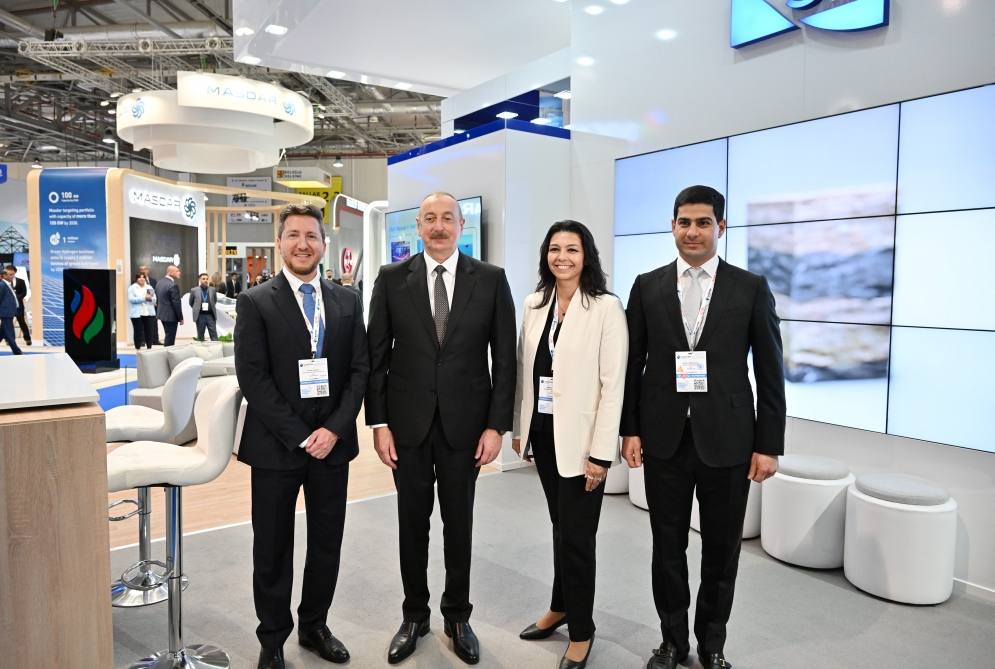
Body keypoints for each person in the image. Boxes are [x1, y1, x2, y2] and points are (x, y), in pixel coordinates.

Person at [620, 186, 786, 669]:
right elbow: (632, 365)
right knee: (666, 548)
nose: (692, 231)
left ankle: (712, 644)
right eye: (684, 222)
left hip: (730, 441)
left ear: (721, 227)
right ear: (672, 226)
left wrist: (769, 444)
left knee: (722, 551)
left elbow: (770, 371)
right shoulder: (647, 286)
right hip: (664, 439)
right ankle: (672, 642)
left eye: (703, 222)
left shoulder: (750, 287)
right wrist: (630, 429)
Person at [366, 191, 516, 665]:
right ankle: (414, 616)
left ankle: (457, 616)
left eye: (447, 218)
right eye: (429, 218)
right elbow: (376, 357)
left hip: (466, 428)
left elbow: (505, 360)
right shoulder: (392, 278)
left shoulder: (490, 279)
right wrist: (379, 422)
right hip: (406, 426)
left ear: (460, 225)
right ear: (418, 226)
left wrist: (496, 427)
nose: (438, 226)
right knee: (412, 525)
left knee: (459, 524)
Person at [235, 203, 369, 669]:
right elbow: (253, 378)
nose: (302, 244)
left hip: (332, 446)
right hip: (276, 447)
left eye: (311, 236)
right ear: (279, 243)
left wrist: (333, 430)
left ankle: (315, 625)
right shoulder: (256, 301)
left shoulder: (347, 301)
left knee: (327, 542)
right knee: (272, 548)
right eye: (293, 235)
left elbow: (360, 370)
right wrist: (301, 435)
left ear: (323, 245)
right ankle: (272, 638)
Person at [511, 221, 628, 669]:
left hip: (583, 443)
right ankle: (560, 607)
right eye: (555, 249)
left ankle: (582, 629)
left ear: (586, 256)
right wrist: (521, 427)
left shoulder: (605, 307)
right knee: (560, 528)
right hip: (544, 433)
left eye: (572, 249)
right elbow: (525, 370)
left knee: (577, 537)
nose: (562, 257)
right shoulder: (535, 303)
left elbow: (612, 385)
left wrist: (601, 453)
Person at [155, 264, 184, 346]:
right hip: (171, 316)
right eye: (177, 271)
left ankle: (167, 351)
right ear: (171, 273)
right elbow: (176, 302)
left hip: (162, 314)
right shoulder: (173, 285)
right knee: (170, 338)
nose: (179, 273)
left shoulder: (159, 283)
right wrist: (180, 317)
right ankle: (168, 353)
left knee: (168, 335)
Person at [128, 272, 157, 350]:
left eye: (143, 277)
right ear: (136, 279)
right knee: (138, 331)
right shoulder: (132, 288)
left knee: (149, 331)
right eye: (139, 277)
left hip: (149, 313)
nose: (141, 279)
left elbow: (154, 299)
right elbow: (131, 299)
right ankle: (138, 348)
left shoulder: (149, 287)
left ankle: (149, 348)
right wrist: (144, 298)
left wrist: (150, 298)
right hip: (137, 313)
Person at [5, 265, 31, 346]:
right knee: (7, 323)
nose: (10, 275)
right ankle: (8, 339)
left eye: (11, 273)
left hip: (18, 306)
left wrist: (17, 298)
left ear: (15, 272)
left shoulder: (21, 281)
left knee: (22, 322)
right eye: (8, 273)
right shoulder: (3, 282)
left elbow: (24, 292)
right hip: (8, 306)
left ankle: (27, 339)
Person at [189, 273, 219, 341]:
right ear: (199, 279)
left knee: (214, 334)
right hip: (200, 315)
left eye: (207, 279)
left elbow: (214, 301)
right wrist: (197, 308)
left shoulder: (212, 290)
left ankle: (215, 346)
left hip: (210, 315)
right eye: (203, 279)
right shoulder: (194, 290)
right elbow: (191, 302)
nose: (205, 280)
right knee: (200, 335)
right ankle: (201, 347)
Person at [0, 268, 23, 355]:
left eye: (13, 274)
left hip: (9, 312)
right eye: (10, 275)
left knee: (3, 331)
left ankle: (17, 351)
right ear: (4, 275)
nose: (13, 276)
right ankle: (17, 352)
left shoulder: (8, 284)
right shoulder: (2, 285)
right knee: (10, 333)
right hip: (5, 312)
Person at [139, 266, 162, 345]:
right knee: (142, 324)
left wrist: (155, 301)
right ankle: (142, 340)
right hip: (143, 305)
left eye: (144, 269)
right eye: (141, 269)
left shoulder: (153, 281)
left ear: (148, 271)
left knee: (154, 323)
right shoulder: (137, 281)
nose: (143, 270)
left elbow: (156, 292)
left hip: (153, 305)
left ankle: (155, 339)